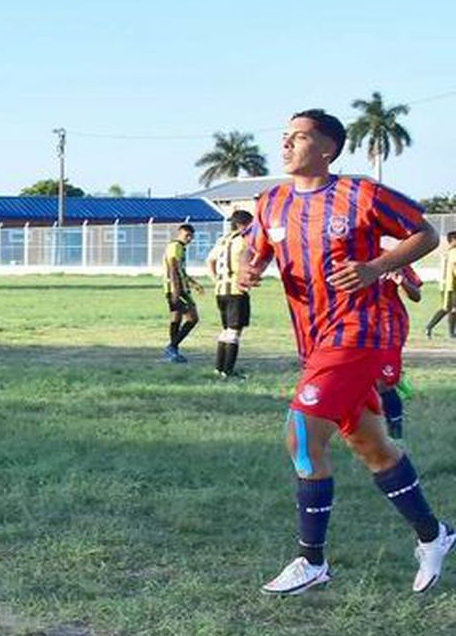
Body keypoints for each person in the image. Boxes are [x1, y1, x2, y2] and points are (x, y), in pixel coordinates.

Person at [242, 109, 451, 595]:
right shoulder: (271, 203)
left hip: (364, 331)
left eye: (299, 136)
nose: (287, 144)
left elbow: (426, 233)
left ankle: (311, 561)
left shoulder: (362, 195)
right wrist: (252, 270)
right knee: (372, 446)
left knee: (301, 433)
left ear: (327, 148)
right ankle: (434, 535)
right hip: (316, 339)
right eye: (285, 136)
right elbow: (260, 251)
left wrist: (375, 267)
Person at [205, 211, 253, 378]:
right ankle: (228, 371)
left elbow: (210, 260)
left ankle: (219, 369)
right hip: (236, 290)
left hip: (220, 290)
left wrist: (216, 280)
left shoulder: (223, 239)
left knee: (226, 330)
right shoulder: (245, 240)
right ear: (243, 224)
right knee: (234, 331)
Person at [378, 261, 422, 440]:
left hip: (390, 326)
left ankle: (396, 435)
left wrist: (401, 281)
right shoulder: (348, 257)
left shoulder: (393, 258)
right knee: (364, 382)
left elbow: (416, 295)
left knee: (383, 384)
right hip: (359, 326)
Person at [161, 224, 203, 362]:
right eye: (187, 235)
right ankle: (172, 347)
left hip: (174, 288)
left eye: (191, 236)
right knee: (193, 318)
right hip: (177, 289)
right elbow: (173, 267)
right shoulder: (175, 246)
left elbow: (181, 270)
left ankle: (173, 353)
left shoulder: (180, 248)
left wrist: (194, 283)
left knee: (176, 319)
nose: (189, 239)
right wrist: (176, 290)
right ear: (179, 234)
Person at [423, 231, 456, 338]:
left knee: (454, 309)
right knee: (446, 308)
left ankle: (451, 333)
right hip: (450, 286)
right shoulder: (453, 252)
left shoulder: (448, 252)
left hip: (449, 285)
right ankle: (429, 327)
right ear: (452, 240)